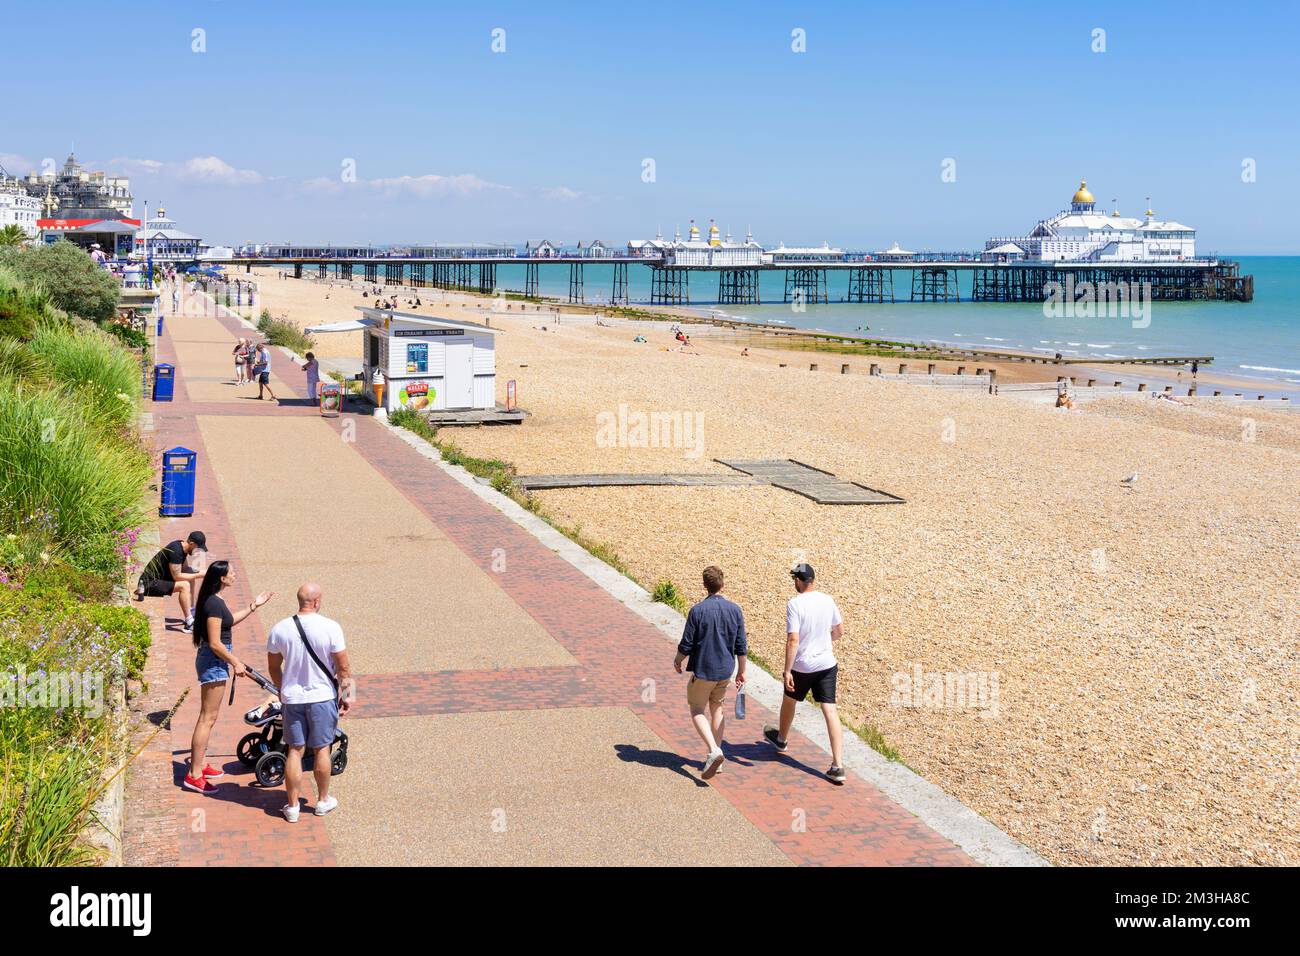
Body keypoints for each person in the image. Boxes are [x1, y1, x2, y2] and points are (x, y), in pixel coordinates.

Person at [182, 561, 273, 794]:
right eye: (231, 572)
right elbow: (214, 643)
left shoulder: (216, 599)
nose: (234, 574)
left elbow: (229, 621)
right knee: (207, 718)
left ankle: (199, 765)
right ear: (221, 578)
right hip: (214, 661)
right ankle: (194, 775)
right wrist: (235, 661)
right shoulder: (213, 603)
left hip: (216, 659)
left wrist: (254, 605)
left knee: (209, 717)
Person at [267, 583, 354, 821]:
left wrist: (283, 689)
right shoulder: (331, 627)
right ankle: (323, 801)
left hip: (292, 698)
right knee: (322, 748)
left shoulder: (280, 628)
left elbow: (273, 666)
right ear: (316, 602)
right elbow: (344, 667)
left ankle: (292, 807)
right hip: (322, 697)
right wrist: (347, 696)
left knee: (294, 750)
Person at [763, 564, 847, 785]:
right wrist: (824, 643)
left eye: (794, 579)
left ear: (799, 581)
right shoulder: (828, 600)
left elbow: (793, 639)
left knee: (790, 700)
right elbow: (838, 631)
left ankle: (781, 739)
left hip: (802, 666)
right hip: (827, 664)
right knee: (830, 709)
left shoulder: (794, 604)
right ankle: (838, 765)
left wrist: (788, 670)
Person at [673, 566, 747, 779]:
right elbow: (741, 645)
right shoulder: (735, 610)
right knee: (717, 708)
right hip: (726, 670)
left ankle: (714, 751)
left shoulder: (698, 610)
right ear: (723, 583)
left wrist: (678, 661)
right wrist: (742, 671)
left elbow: (686, 643)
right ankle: (717, 755)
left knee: (697, 709)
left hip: (704, 670)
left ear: (705, 585)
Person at [135, 531, 208, 632]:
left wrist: (205, 572)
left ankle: (192, 612)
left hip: (159, 581)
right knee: (184, 585)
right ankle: (189, 623)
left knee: (190, 578)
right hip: (149, 584)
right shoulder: (176, 551)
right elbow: (177, 576)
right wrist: (200, 575)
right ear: (191, 544)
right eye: (198, 548)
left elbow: (186, 569)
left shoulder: (183, 549)